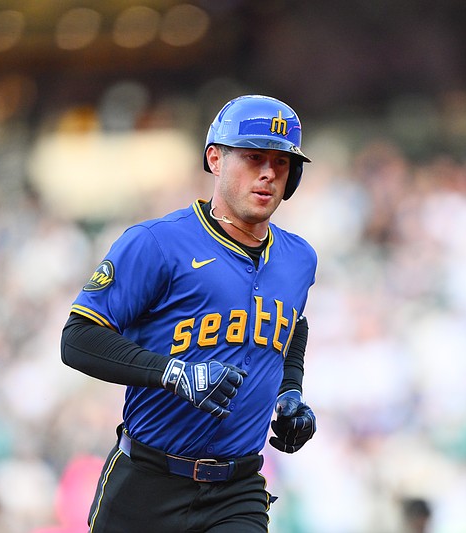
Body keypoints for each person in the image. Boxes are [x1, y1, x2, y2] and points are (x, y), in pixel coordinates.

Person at [60, 94, 318, 532]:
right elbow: (78, 339)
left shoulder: (299, 258)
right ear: (215, 159)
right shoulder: (156, 243)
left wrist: (289, 392)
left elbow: (293, 327)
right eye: (254, 157)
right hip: (147, 481)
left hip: (237, 491)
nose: (268, 173)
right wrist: (172, 372)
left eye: (281, 162)